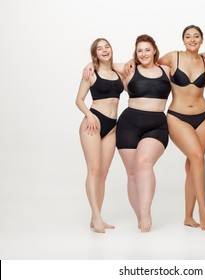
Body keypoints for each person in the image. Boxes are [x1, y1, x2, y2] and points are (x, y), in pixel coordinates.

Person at [115, 34, 171, 232]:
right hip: (128, 125)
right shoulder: (129, 69)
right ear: (135, 53)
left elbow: (192, 69)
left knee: (143, 163)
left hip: (156, 126)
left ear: (155, 50)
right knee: (132, 174)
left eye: (147, 49)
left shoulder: (166, 69)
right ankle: (139, 215)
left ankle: (146, 211)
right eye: (140, 50)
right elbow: (104, 63)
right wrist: (89, 65)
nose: (144, 53)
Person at [160, 25, 205, 231]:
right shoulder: (173, 57)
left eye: (196, 36)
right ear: (183, 40)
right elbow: (147, 62)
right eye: (188, 36)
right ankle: (203, 211)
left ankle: (188, 217)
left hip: (203, 117)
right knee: (198, 158)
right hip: (177, 116)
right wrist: (129, 62)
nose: (192, 39)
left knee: (193, 163)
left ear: (202, 40)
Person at [75, 38, 125, 233]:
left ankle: (97, 216)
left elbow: (134, 63)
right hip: (93, 125)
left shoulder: (118, 72)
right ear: (94, 54)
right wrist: (88, 115)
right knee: (94, 169)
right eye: (99, 48)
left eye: (107, 46)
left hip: (112, 127)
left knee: (103, 174)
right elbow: (78, 99)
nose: (104, 50)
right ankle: (96, 216)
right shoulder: (91, 73)